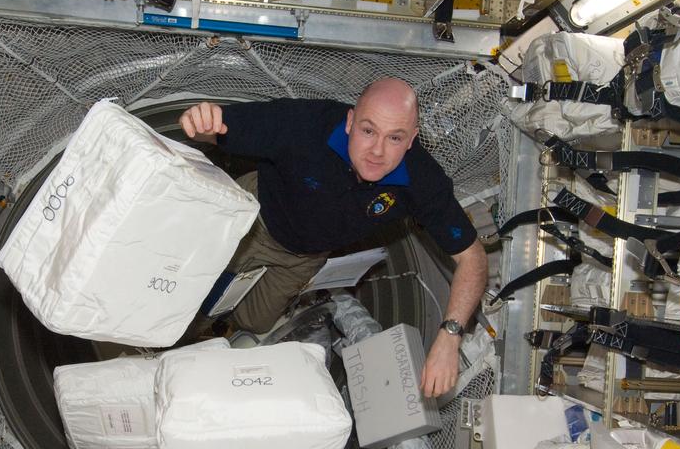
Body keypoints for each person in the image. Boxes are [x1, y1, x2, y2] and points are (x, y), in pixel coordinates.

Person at [178, 77, 488, 399]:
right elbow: (214, 129)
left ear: (411, 139)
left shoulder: (422, 181)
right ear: (350, 121)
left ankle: (217, 330)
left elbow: (473, 259)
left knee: (255, 321)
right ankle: (173, 341)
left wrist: (450, 337)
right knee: (194, 297)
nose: (378, 151)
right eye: (368, 131)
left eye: (395, 137)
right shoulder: (306, 125)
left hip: (305, 256)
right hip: (255, 222)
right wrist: (199, 121)